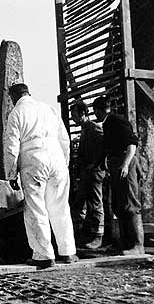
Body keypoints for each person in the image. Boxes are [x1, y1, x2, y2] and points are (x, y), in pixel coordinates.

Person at [4, 83, 77, 268]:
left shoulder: (17, 113)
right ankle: (68, 251)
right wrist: (65, 164)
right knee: (60, 206)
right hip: (57, 158)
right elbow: (64, 139)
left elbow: (11, 148)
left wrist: (11, 174)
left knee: (36, 207)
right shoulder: (48, 109)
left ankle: (44, 255)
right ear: (29, 92)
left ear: (13, 98)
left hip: (34, 159)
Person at [92, 97, 144, 255]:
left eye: (96, 112)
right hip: (116, 164)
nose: (95, 116)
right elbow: (106, 148)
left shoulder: (117, 121)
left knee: (130, 204)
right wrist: (96, 165)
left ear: (100, 110)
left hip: (125, 163)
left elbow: (132, 143)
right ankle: (124, 243)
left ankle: (137, 245)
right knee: (119, 205)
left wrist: (125, 164)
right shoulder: (108, 124)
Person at [70, 100, 106, 249]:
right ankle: (84, 235)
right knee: (81, 204)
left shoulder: (94, 128)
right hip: (86, 173)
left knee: (96, 204)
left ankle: (98, 237)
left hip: (95, 172)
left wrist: (96, 163)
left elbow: (105, 145)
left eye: (74, 115)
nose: (73, 118)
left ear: (83, 114)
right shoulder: (85, 129)